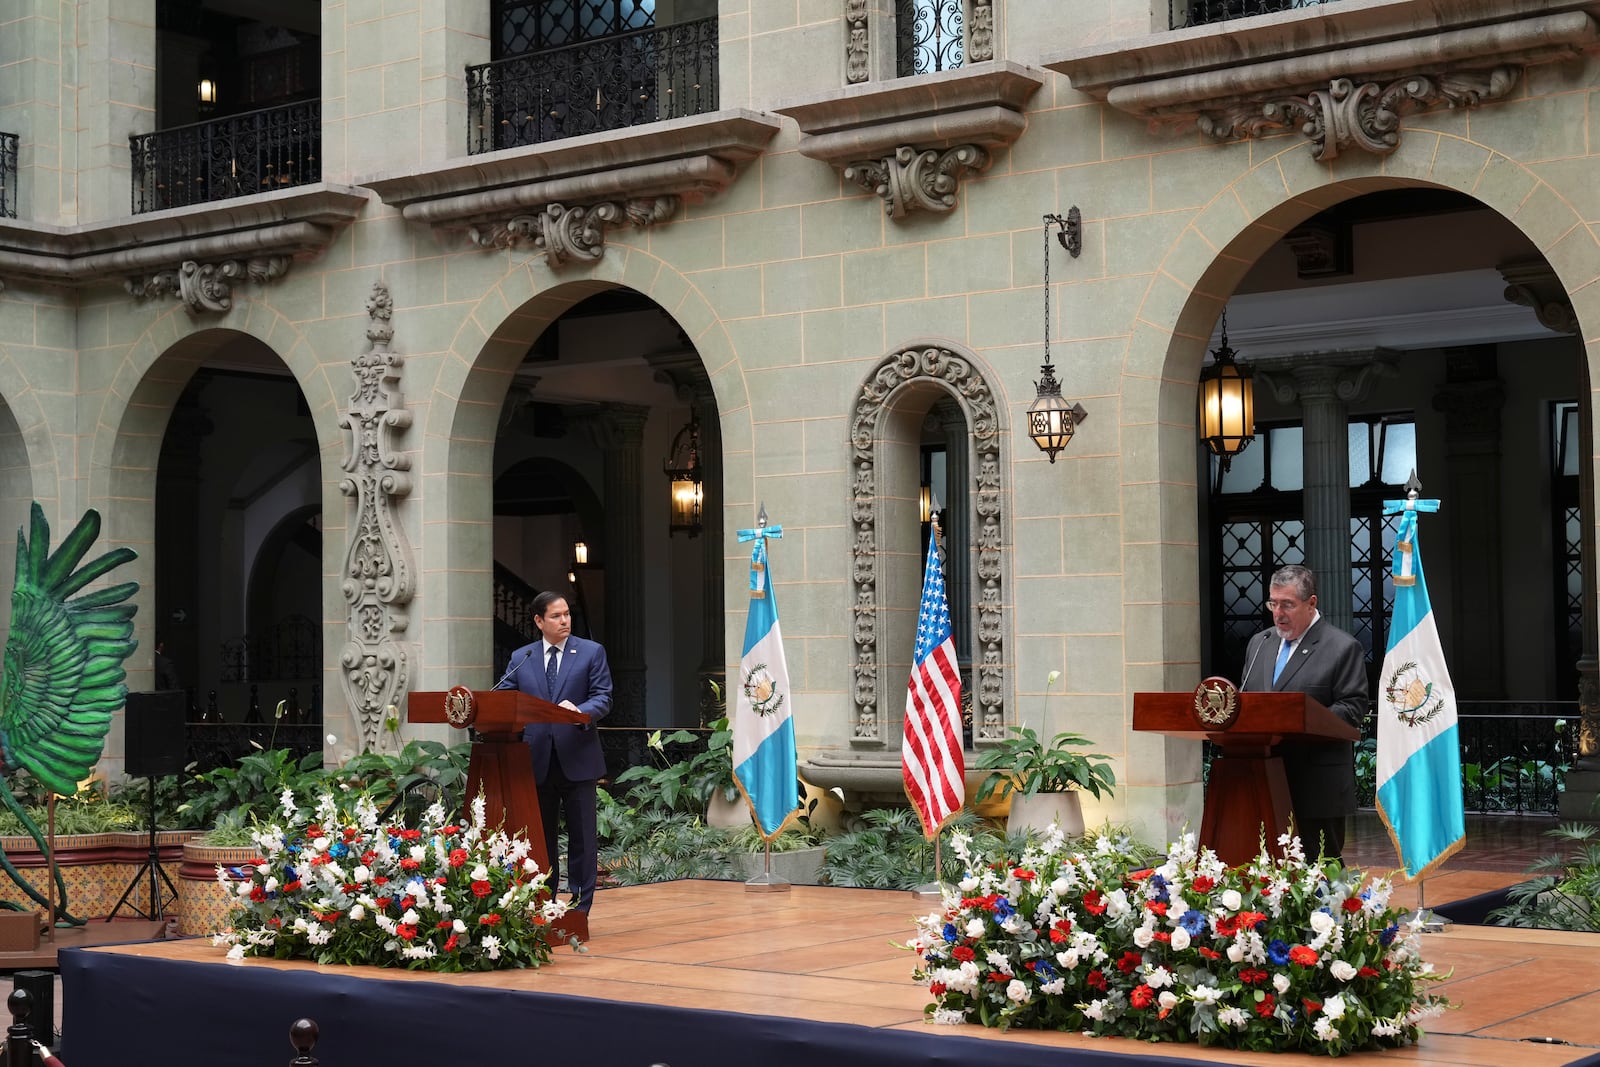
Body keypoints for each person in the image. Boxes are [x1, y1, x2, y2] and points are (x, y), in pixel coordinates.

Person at [1239, 564, 1368, 862]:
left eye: (1287, 604)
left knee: (1320, 871)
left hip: (1316, 785)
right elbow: (1247, 701)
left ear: (1311, 603)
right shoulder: (1260, 643)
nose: (1278, 613)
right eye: (1273, 603)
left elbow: (1352, 708)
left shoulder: (1342, 647)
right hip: (1264, 779)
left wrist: (1298, 720)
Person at [495, 591, 612, 913]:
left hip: (577, 757)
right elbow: (504, 699)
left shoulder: (590, 652)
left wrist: (579, 710)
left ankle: (579, 907)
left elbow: (603, 697)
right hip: (536, 761)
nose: (564, 621)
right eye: (556, 616)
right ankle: (544, 903)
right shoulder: (523, 656)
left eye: (567, 615)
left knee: (582, 840)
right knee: (541, 839)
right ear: (538, 621)